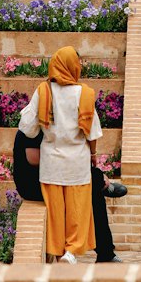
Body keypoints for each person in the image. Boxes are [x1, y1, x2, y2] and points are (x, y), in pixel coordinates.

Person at [17, 45, 100, 263]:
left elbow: (27, 126)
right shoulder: (85, 93)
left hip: (51, 161)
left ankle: (57, 250)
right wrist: (93, 155)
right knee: (77, 210)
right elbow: (92, 133)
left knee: (55, 212)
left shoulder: (43, 91)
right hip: (77, 163)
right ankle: (72, 251)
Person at [13, 128, 126, 263]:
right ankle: (105, 252)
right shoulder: (33, 125)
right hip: (33, 184)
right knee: (92, 184)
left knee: (92, 192)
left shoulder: (52, 126)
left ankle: (105, 253)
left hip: (51, 179)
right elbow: (34, 159)